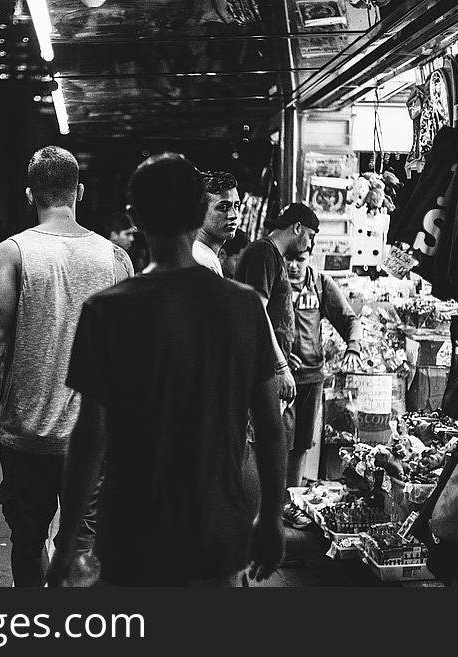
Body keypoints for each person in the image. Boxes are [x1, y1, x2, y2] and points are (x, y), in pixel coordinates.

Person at [46, 152, 286, 587]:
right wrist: (271, 521)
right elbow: (270, 427)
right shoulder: (244, 306)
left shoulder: (107, 310)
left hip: (132, 530)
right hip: (217, 528)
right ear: (199, 213)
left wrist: (67, 546)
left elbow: (90, 434)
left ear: (135, 217)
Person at [0, 145, 133, 587]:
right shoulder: (114, 259)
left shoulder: (11, 253)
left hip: (25, 431)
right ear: (79, 192)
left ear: (31, 194)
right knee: (83, 543)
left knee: (28, 540)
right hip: (92, 433)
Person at [234, 202, 318, 528]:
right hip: (261, 372)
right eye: (310, 235)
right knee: (258, 445)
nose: (309, 245)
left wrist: (283, 351)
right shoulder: (263, 252)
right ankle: (254, 525)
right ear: (297, 228)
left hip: (267, 365)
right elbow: (255, 310)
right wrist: (279, 365)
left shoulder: (269, 255)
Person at [283, 249, 362, 529]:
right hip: (278, 378)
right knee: (275, 441)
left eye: (300, 260)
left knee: (301, 442)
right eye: (288, 259)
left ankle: (289, 504)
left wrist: (353, 345)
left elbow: (349, 318)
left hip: (312, 375)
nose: (293, 266)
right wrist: (278, 356)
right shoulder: (273, 282)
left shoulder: (320, 283)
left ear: (310, 258)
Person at [192, 170, 240, 276]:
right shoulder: (202, 260)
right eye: (223, 207)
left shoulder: (205, 255)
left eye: (236, 206)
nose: (234, 215)